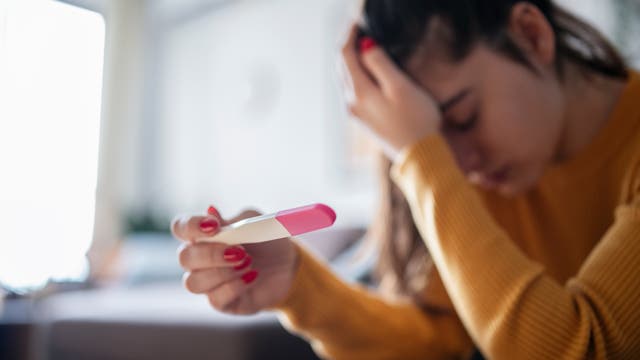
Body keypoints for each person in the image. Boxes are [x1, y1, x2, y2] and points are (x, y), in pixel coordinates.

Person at [171, 1, 640, 358]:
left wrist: (420, 152)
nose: (460, 165)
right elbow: (441, 341)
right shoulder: (487, 171)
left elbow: (578, 347)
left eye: (463, 117)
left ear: (531, 34)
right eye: (431, 139)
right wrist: (297, 286)